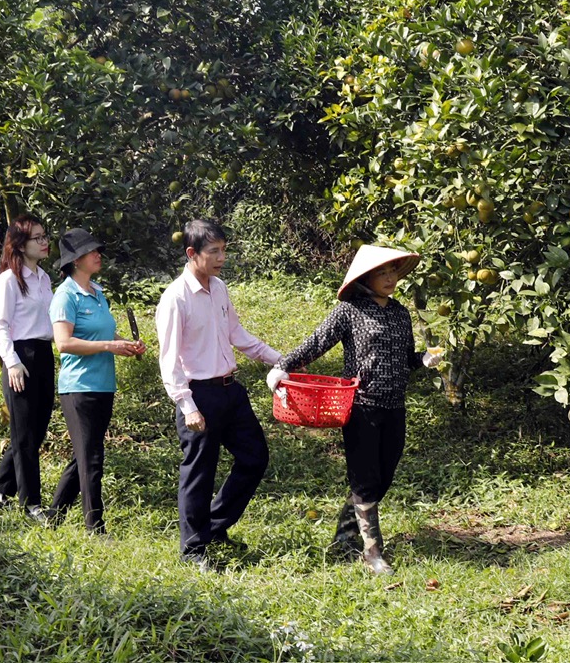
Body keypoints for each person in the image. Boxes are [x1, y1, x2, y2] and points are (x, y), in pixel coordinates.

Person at [267, 244, 435, 574]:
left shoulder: (400, 312)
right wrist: (283, 366)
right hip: (361, 406)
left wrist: (423, 361)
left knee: (384, 475)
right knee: (365, 476)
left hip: (394, 406)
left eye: (392, 272)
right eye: (381, 273)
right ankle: (372, 552)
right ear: (365, 279)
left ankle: (345, 535)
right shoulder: (349, 311)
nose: (389, 278)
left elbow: (404, 359)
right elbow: (317, 342)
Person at [155, 218, 286, 569]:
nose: (221, 258)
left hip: (230, 391)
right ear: (191, 253)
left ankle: (214, 526)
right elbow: (168, 360)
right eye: (214, 251)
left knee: (254, 457)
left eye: (224, 250)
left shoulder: (220, 288)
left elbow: (237, 334)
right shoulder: (175, 298)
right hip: (199, 396)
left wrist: (281, 358)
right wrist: (187, 405)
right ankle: (193, 550)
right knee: (199, 473)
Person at [49, 228, 145, 534]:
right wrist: (108, 347)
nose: (98, 255)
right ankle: (95, 526)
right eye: (92, 251)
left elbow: (103, 334)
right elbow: (63, 343)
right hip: (78, 387)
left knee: (84, 455)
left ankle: (53, 515)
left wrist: (124, 345)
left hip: (104, 384)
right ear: (76, 261)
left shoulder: (97, 292)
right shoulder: (65, 296)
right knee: (91, 457)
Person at [0, 214, 56, 523]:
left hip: (44, 353)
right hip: (21, 356)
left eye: (44, 236)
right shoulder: (9, 280)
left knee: (35, 431)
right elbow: (1, 327)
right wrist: (11, 362)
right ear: (19, 244)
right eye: (37, 238)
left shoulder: (43, 278)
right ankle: (31, 504)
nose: (44, 242)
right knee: (24, 435)